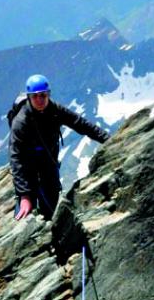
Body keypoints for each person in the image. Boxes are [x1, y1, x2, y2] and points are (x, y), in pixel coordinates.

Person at [9, 74, 110, 221]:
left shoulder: (54, 110)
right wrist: (24, 195)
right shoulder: (21, 121)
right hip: (27, 169)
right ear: (29, 97)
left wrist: (109, 140)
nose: (39, 99)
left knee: (53, 212)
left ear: (48, 94)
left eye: (43, 95)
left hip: (49, 166)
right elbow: (15, 157)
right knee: (24, 216)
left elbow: (80, 123)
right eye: (35, 96)